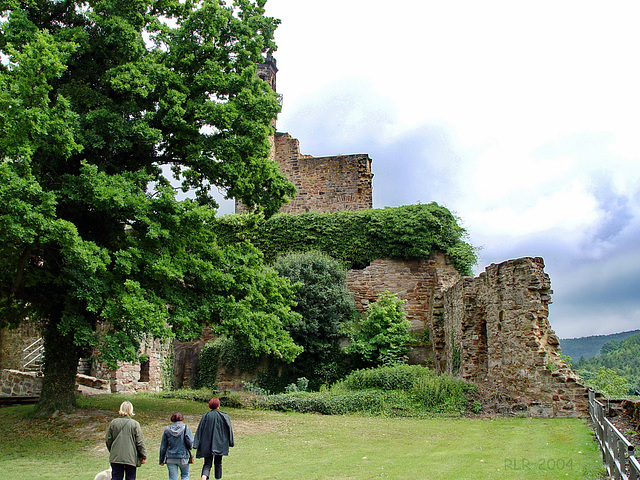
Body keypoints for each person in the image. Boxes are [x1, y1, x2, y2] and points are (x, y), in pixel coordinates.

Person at [193, 398, 234, 480]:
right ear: (218, 405)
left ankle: (204, 477)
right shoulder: (224, 416)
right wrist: (231, 442)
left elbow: (199, 430)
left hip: (207, 443)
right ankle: (218, 478)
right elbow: (229, 430)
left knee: (207, 463)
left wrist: (196, 444)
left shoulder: (206, 416)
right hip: (220, 443)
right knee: (218, 463)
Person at [105, 400, 147, 480]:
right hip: (130, 457)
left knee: (116, 477)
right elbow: (139, 442)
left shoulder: (113, 423)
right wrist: (143, 456)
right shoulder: (135, 424)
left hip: (116, 457)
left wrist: (113, 450)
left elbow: (108, 440)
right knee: (130, 478)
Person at [159, 412, 194, 480]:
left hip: (170, 457)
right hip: (183, 457)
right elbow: (190, 442)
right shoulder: (186, 428)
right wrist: (189, 448)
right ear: (182, 419)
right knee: (185, 475)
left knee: (172, 478)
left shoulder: (167, 429)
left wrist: (161, 460)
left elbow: (163, 446)